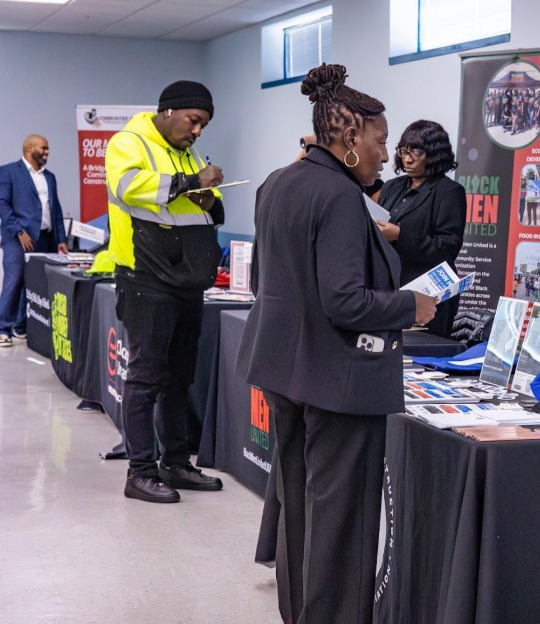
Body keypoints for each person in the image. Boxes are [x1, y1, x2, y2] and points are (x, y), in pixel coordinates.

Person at [236, 64, 437, 624]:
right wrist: (409, 306)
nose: (385, 152)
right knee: (342, 527)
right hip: (339, 383)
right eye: (379, 139)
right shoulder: (342, 198)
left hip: (284, 371)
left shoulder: (280, 181)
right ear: (350, 138)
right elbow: (344, 302)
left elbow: (271, 282)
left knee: (300, 511)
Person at [105, 80, 226, 503]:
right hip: (144, 278)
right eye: (194, 121)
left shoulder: (185, 152)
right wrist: (192, 180)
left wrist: (210, 196)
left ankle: (175, 463)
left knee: (179, 379)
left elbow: (201, 208)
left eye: (204, 125)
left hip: (186, 280)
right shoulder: (128, 142)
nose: (197, 131)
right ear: (170, 111)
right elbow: (128, 187)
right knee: (144, 378)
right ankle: (139, 472)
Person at [377, 120, 466, 337]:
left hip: (430, 297)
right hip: (392, 293)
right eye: (403, 151)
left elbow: (447, 248)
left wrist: (399, 235)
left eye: (415, 152)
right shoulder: (392, 187)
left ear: (434, 154)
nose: (407, 159)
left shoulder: (449, 191)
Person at [0, 135, 69, 346]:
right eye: (44, 148)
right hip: (17, 238)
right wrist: (19, 231)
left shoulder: (50, 177)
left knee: (34, 283)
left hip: (45, 237)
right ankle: (3, 329)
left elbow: (55, 209)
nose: (47, 152)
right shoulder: (9, 171)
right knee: (14, 280)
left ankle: (21, 327)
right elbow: (2, 204)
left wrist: (60, 239)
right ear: (30, 148)